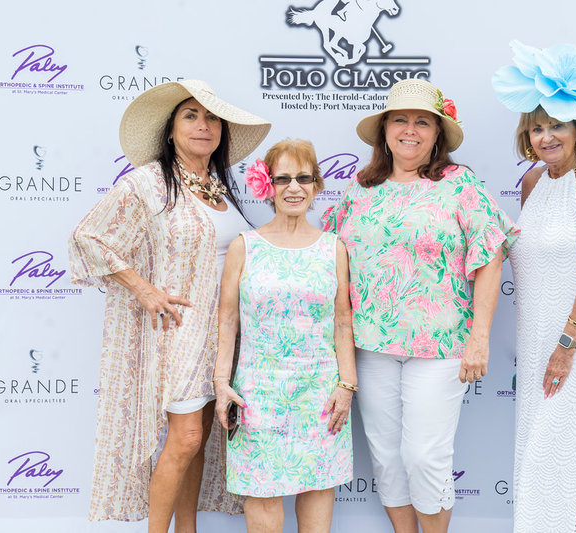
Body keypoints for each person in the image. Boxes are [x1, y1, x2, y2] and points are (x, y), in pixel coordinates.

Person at [68, 79, 270, 532]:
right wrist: (145, 290)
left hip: (224, 333)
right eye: (190, 116)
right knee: (186, 438)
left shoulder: (217, 187)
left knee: (200, 439)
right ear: (171, 129)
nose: (203, 125)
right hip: (180, 333)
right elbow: (88, 237)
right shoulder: (149, 182)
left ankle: (187, 528)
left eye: (212, 118)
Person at [322, 78, 518, 533]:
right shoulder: (359, 189)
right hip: (371, 346)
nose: (410, 130)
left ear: (437, 134)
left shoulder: (460, 184)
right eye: (400, 120)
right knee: (387, 458)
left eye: (422, 122)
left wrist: (480, 337)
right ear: (384, 131)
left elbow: (490, 256)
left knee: (425, 456)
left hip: (441, 345)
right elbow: (330, 260)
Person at [492, 40, 576, 532]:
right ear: (526, 136)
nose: (546, 136)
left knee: (572, 449)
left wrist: (567, 346)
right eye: (537, 127)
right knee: (541, 452)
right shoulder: (532, 183)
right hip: (537, 340)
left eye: (557, 125)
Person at [213, 139, 356, 533]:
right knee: (261, 492)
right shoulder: (244, 247)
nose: (294, 187)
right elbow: (227, 321)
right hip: (258, 392)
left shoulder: (333, 248)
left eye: (304, 178)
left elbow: (343, 322)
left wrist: (346, 384)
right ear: (268, 185)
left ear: (316, 185)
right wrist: (221, 383)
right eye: (283, 179)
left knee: (318, 485)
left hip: (320, 392)